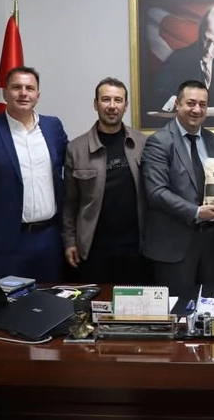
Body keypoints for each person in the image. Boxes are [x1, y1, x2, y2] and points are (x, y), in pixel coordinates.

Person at [0, 66, 68, 282]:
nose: (23, 93)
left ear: (38, 95)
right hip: (7, 241)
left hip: (49, 238)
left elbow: (70, 168)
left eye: (30, 88)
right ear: (5, 93)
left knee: (52, 298)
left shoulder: (53, 127)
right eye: (16, 87)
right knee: (12, 301)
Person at [61, 77, 149, 284]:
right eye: (106, 99)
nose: (112, 106)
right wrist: (70, 241)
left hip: (136, 247)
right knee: (98, 302)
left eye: (118, 100)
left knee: (135, 303)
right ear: (96, 104)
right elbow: (70, 202)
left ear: (126, 105)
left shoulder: (143, 143)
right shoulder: (76, 148)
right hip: (94, 248)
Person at [142, 80, 214, 288]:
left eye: (202, 104)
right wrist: (197, 212)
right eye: (191, 103)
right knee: (178, 306)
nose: (197, 110)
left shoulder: (213, 141)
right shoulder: (159, 141)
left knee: (211, 303)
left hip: (212, 247)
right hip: (174, 247)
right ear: (177, 104)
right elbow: (156, 192)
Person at [154, 6, 214, 111]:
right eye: (207, 39)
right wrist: (173, 101)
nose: (209, 50)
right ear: (200, 30)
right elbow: (157, 95)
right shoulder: (177, 59)